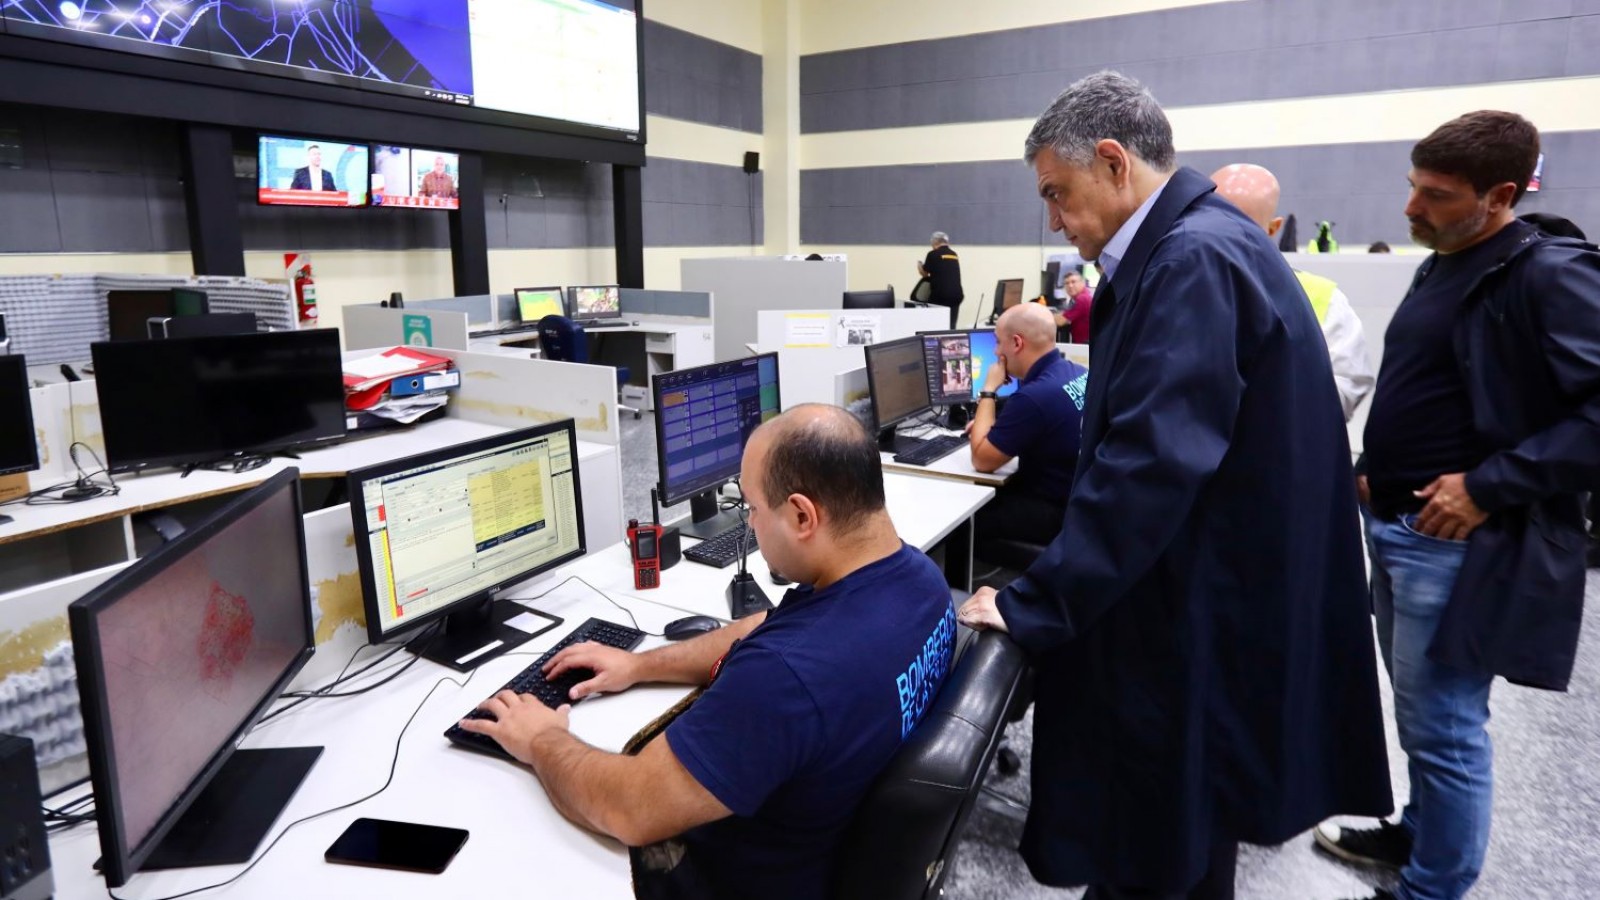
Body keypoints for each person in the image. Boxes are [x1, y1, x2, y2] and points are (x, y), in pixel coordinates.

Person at [956, 70, 1392, 899]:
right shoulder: (1210, 242)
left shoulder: (1190, 260)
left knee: (1153, 849)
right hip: (1218, 598)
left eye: (1057, 191)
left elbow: (1152, 464)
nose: (1052, 217)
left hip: (1195, 616)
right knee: (1187, 847)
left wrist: (1030, 601)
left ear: (1114, 162)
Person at [457, 403, 958, 900]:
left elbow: (629, 808)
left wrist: (542, 740)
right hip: (830, 841)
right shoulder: (921, 580)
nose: (750, 525)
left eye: (753, 509)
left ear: (803, 515)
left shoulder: (786, 679)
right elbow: (767, 623)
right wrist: (639, 666)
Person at [1316, 112, 1600, 900]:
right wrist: (1377, 464)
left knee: (1445, 726)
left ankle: (1432, 888)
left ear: (1500, 194)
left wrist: (1487, 485)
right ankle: (1418, 836)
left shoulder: (1547, 272)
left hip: (1452, 541)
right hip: (1398, 524)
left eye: (1436, 196)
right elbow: (1432, 384)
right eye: (1413, 186)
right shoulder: (1445, 260)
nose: (1412, 208)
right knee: (1416, 716)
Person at [1211, 163, 1376, 420]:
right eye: (1211, 223)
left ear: (1273, 228)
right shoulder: (1172, 285)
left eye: (1240, 226)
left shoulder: (1321, 297)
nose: (1223, 237)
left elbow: (1344, 391)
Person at [967, 303, 1087, 547]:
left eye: (998, 342)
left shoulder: (1035, 397)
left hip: (1050, 511)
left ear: (1017, 343)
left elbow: (982, 460)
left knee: (964, 518)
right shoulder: (1075, 371)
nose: (996, 351)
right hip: (1078, 502)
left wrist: (989, 390)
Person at [916, 231, 964, 327]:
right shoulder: (954, 254)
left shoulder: (932, 254)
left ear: (934, 243)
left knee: (936, 326)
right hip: (956, 295)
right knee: (951, 326)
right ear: (947, 242)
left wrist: (919, 266)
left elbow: (925, 274)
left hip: (940, 296)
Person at [1060, 269, 1093, 343]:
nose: (1070, 286)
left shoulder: (1082, 299)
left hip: (1085, 345)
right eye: (1067, 283)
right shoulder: (1086, 295)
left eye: (1073, 282)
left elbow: (1061, 321)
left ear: (1082, 283)